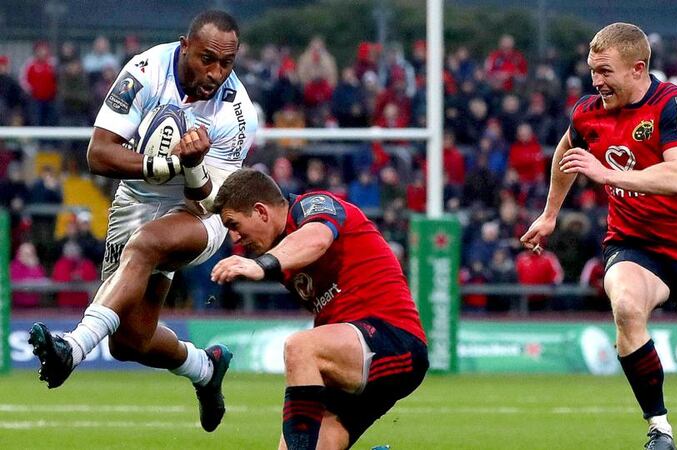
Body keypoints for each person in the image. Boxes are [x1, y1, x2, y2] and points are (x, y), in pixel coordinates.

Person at [520, 23, 677, 450]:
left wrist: (606, 173)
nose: (596, 82)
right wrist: (550, 213)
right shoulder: (588, 111)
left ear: (637, 69)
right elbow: (566, 151)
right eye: (592, 71)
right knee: (626, 306)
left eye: (604, 72)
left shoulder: (676, 107)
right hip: (633, 243)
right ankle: (660, 430)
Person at [28, 10, 258, 433]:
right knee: (128, 341)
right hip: (135, 200)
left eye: (227, 63)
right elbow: (98, 154)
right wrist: (167, 163)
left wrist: (192, 166)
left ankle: (72, 349)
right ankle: (206, 368)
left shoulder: (238, 112)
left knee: (147, 243)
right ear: (184, 46)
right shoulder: (146, 71)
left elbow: (209, 200)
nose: (216, 72)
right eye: (207, 59)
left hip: (197, 216)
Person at [209, 169, 428, 449]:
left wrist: (261, 266)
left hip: (392, 338)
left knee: (301, 347)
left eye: (234, 224)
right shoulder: (282, 253)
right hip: (348, 361)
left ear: (261, 211)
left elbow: (317, 239)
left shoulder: (310, 206)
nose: (235, 238)